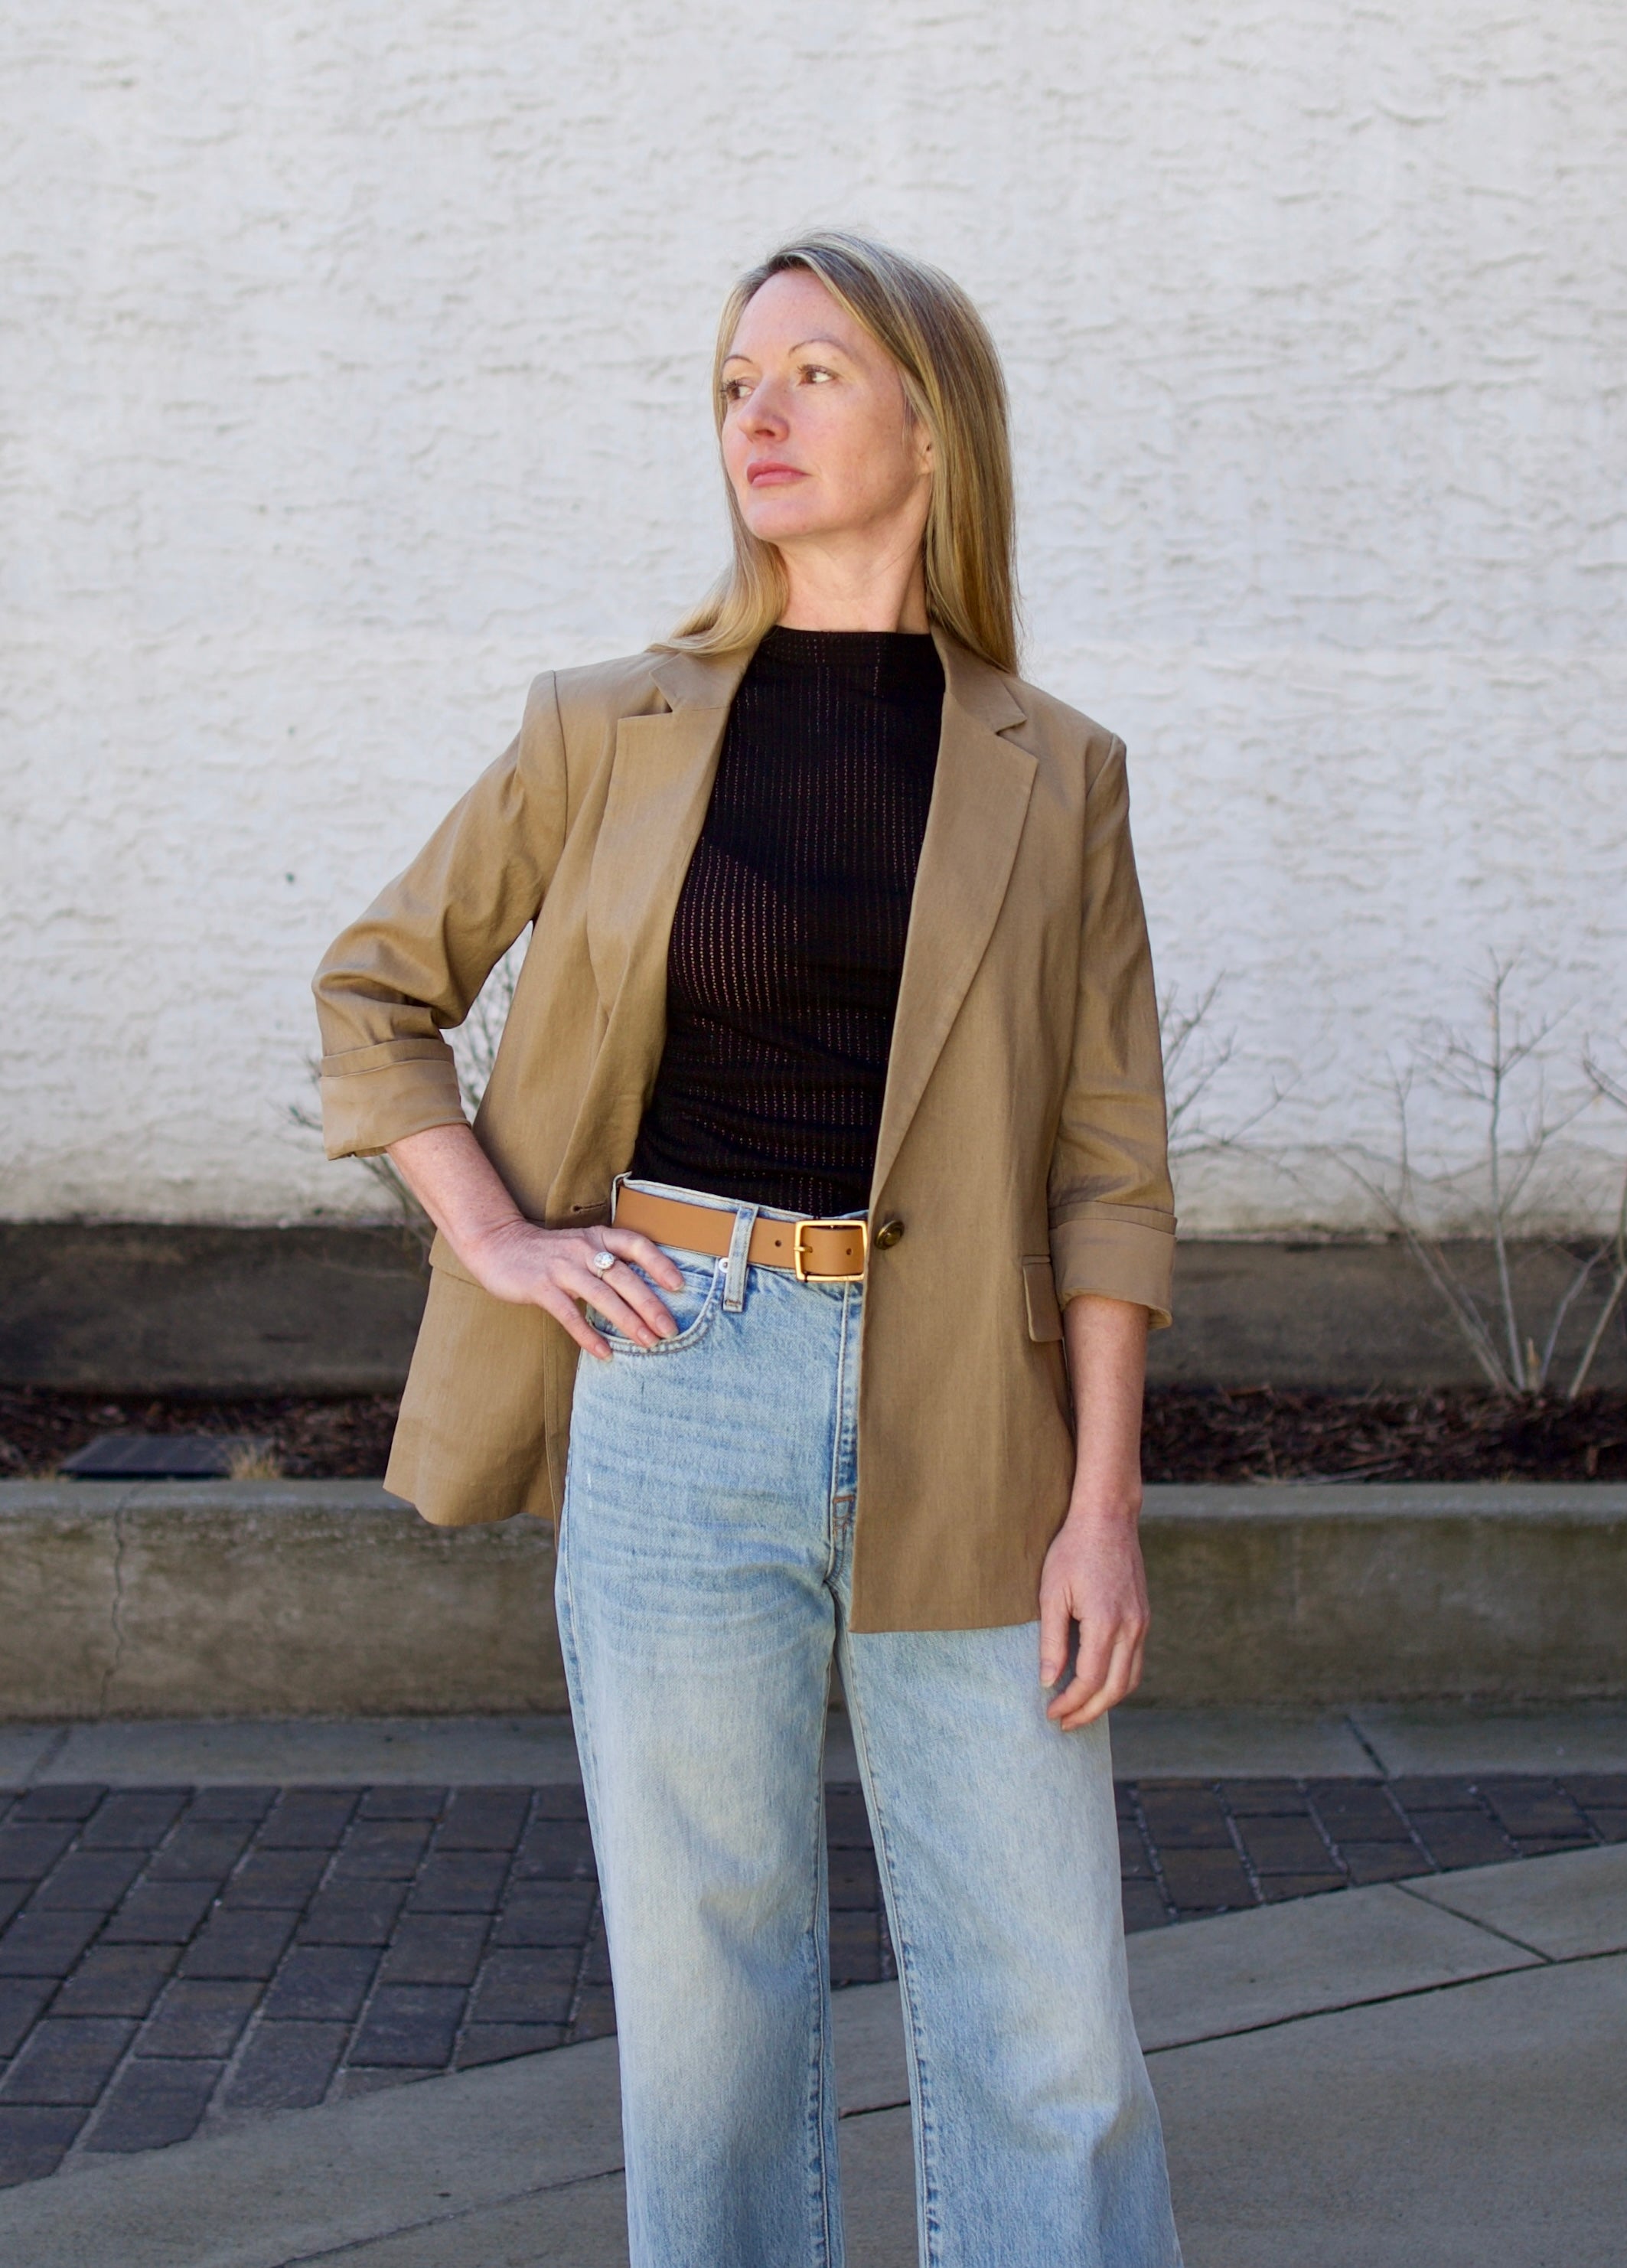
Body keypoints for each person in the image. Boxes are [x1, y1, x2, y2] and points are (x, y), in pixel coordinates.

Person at [315, 230, 1183, 2268]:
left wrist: (1106, 1503)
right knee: (711, 2011)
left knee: (1050, 2012)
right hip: (675, 1380)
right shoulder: (605, 722)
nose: (759, 414)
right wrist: (505, 1241)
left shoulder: (1058, 773)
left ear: (931, 424)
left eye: (812, 369)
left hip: (974, 1410)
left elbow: (1108, 1162)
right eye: (733, 382)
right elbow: (378, 994)